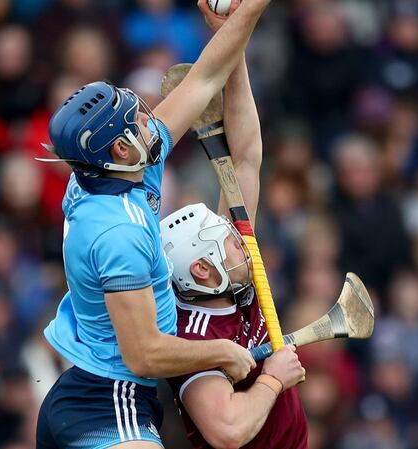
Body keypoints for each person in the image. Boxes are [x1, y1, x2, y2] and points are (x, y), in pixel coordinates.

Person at [36, 1, 271, 448]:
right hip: (108, 401)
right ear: (121, 150)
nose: (152, 120)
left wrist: (243, 17)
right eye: (138, 120)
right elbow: (143, 354)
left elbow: (203, 78)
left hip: (94, 391)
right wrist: (225, 352)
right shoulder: (117, 234)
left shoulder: (120, 169)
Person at [158, 5, 307, 449]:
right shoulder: (194, 338)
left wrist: (233, 44)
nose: (242, 243)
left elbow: (244, 157)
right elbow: (226, 430)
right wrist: (272, 382)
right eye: (228, 243)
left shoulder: (239, 278)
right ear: (203, 270)